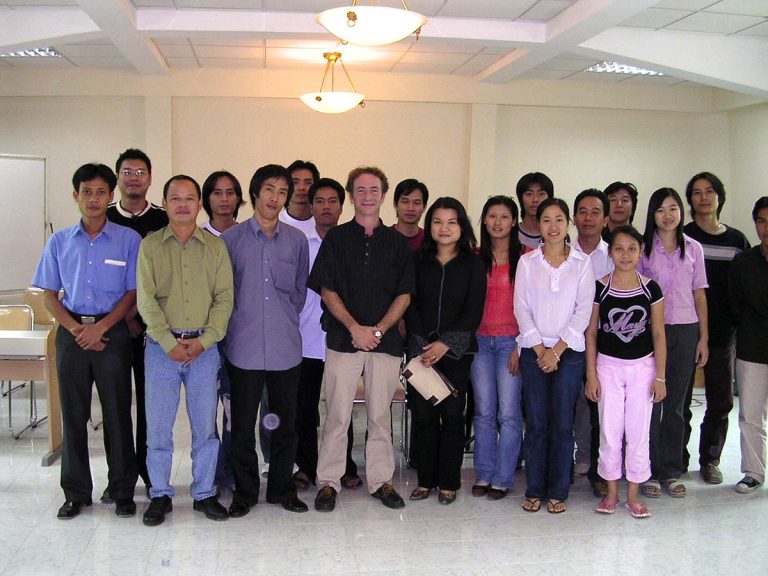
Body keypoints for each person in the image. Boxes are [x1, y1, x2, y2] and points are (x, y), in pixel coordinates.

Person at [33, 163, 140, 520]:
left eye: (101, 192)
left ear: (111, 197)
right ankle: (76, 493)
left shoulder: (128, 240)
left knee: (117, 414)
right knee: (74, 415)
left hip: (114, 332)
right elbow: (48, 294)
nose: (93, 199)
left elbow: (132, 293)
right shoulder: (60, 241)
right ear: (75, 196)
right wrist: (77, 329)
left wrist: (103, 327)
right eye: (86, 192)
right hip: (72, 334)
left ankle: (123, 490)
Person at [309, 166, 414, 512]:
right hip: (343, 340)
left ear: (384, 197)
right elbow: (327, 289)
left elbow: (404, 295)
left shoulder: (398, 243)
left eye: (374, 190)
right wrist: (355, 328)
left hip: (385, 346)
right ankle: (328, 482)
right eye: (360, 190)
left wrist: (379, 330)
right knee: (337, 415)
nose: (367, 196)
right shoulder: (336, 239)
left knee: (380, 417)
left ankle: (381, 481)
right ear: (351, 196)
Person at [137, 175, 233, 526]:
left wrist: (204, 341)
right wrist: (167, 342)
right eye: (175, 198)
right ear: (165, 203)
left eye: (189, 198)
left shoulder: (215, 248)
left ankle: (204, 492)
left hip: (204, 350)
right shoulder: (150, 247)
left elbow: (224, 300)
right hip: (161, 350)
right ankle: (160, 493)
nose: (182, 204)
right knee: (158, 427)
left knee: (205, 426)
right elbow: (146, 301)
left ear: (199, 204)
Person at [223, 164, 310, 516]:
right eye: (269, 190)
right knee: (242, 426)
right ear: (255, 192)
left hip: (285, 349)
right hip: (242, 349)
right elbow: (224, 294)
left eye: (282, 192)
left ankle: (281, 489)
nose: (275, 198)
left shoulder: (296, 241)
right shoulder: (230, 240)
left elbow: (299, 292)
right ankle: (245, 492)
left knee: (284, 426)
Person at [514, 197, 595, 514]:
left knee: (563, 424)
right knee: (535, 423)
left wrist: (557, 350)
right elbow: (521, 308)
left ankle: (559, 490)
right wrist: (539, 350)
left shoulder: (582, 263)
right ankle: (535, 488)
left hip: (569, 354)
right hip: (534, 351)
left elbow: (583, 311)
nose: (552, 226)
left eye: (559, 219)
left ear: (568, 224)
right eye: (546, 220)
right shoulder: (527, 263)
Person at [406, 197, 486, 505]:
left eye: (452, 222)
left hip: (456, 354)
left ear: (462, 226)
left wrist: (445, 344)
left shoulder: (473, 264)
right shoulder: (416, 261)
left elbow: (473, 310)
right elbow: (408, 302)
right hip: (420, 351)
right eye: (437, 221)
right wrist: (423, 346)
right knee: (424, 417)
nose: (444, 228)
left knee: (453, 416)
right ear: (429, 227)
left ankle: (450, 481)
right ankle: (425, 480)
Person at [586, 226, 667, 518]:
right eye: (619, 249)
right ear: (610, 253)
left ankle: (633, 495)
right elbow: (591, 333)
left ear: (640, 251)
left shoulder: (651, 288)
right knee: (609, 431)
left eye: (632, 248)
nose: (625, 255)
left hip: (643, 369)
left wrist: (660, 376)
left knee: (638, 431)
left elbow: (658, 334)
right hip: (607, 367)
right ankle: (611, 494)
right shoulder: (599, 286)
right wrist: (592, 375)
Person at [105, 148, 168, 499]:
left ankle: (150, 475)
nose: (134, 177)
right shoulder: (105, 218)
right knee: (115, 407)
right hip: (111, 329)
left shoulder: (162, 219)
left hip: (151, 331)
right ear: (118, 177)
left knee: (150, 409)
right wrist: (123, 318)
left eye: (140, 171)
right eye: (127, 171)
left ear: (149, 178)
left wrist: (141, 319)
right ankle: (120, 479)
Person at [639, 187, 708, 499]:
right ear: (652, 215)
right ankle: (647, 471)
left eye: (673, 209)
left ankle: (670, 470)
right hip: (650, 333)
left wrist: (703, 337)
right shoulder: (642, 250)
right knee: (650, 403)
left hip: (684, 331)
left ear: (681, 212)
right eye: (661, 210)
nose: (667, 216)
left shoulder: (693, 248)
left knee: (677, 406)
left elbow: (699, 294)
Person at [682, 172, 750, 483]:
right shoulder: (682, 236)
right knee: (679, 400)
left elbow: (744, 286)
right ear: (690, 200)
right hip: (685, 330)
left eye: (710, 191)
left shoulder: (736, 240)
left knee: (721, 400)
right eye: (697, 193)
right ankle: (676, 460)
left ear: (719, 196)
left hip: (723, 334)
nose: (704, 197)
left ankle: (710, 459)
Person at [292, 177, 349, 490]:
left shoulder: (352, 242)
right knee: (305, 407)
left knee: (341, 406)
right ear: (310, 206)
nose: (326, 207)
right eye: (320, 201)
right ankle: (306, 466)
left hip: (343, 338)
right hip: (304, 338)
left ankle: (345, 465)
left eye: (332, 201)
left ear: (342, 205)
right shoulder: (298, 241)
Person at [470, 195, 524, 502]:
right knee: (484, 412)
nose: (497, 222)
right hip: (480, 342)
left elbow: (532, 307)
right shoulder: (475, 257)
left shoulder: (527, 258)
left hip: (511, 344)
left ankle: (503, 477)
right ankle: (484, 473)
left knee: (509, 414)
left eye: (504, 216)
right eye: (491, 216)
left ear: (514, 221)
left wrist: (520, 344)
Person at [200, 170, 245, 492]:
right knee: (204, 414)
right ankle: (209, 474)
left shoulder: (248, 235)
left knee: (235, 412)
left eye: (231, 193)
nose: (224, 199)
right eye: (217, 193)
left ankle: (231, 471)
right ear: (207, 199)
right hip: (203, 340)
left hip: (239, 339)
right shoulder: (198, 237)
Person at [571, 189, 614, 497]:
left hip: (605, 342)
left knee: (598, 404)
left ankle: (598, 464)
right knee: (572, 405)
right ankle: (578, 457)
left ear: (606, 218)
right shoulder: (562, 252)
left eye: (595, 212)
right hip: (567, 341)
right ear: (574, 218)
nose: (588, 218)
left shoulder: (615, 254)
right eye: (582, 211)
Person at [729, 196, 768, 494]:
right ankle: (754, 472)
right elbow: (735, 305)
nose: (766, 228)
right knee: (750, 416)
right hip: (753, 349)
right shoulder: (744, 261)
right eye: (761, 221)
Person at [514, 172, 554, 251]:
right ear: (520, 199)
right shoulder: (511, 234)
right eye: (529, 194)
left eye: (541, 194)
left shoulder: (557, 234)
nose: (535, 199)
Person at [280, 159, 320, 236]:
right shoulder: (275, 223)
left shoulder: (322, 224)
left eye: (308, 183)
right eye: (295, 182)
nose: (301, 187)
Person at [392, 178, 429, 251]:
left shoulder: (429, 241)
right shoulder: (383, 238)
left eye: (417, 203)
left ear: (424, 207)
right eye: (405, 202)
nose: (410, 208)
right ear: (395, 204)